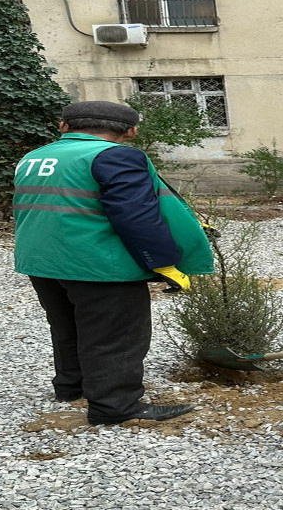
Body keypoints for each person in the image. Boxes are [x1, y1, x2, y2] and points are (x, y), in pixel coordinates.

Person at [13, 101, 214, 426]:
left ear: (64, 127)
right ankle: (115, 405)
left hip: (42, 261)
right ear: (131, 131)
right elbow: (137, 217)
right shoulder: (116, 155)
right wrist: (164, 265)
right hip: (98, 264)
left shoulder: (35, 157)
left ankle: (71, 388)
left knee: (69, 328)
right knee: (115, 335)